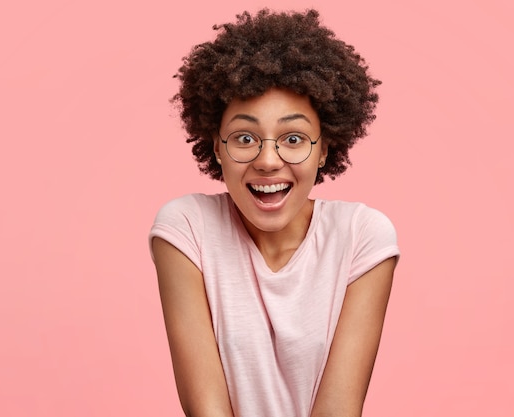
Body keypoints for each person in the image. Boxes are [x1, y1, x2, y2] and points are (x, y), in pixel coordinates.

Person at [149, 9, 400, 417]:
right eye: (245, 137)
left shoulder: (362, 236)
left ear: (324, 149)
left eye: (294, 138)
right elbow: (207, 410)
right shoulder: (186, 228)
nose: (268, 160)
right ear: (216, 146)